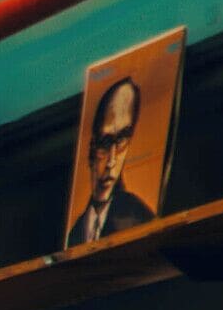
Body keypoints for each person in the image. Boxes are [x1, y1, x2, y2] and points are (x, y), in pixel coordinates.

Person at [66, 75, 159, 248]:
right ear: (92, 146)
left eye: (122, 140)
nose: (112, 161)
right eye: (105, 143)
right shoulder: (75, 231)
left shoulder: (139, 218)